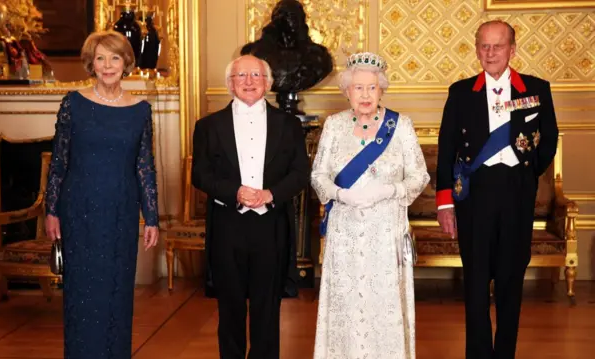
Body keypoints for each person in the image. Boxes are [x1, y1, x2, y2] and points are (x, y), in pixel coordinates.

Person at [436, 20, 558, 359]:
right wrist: (445, 202)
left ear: (512, 50)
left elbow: (548, 140)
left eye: (498, 46)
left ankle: (505, 353)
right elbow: (447, 148)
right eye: (484, 46)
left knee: (510, 278)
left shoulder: (535, 89)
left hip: (517, 192)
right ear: (476, 49)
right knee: (475, 281)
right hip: (475, 193)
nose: (490, 53)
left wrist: (528, 174)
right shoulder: (461, 92)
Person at [44, 30, 160, 359]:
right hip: (79, 210)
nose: (108, 65)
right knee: (82, 294)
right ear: (91, 64)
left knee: (117, 293)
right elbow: (59, 161)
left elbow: (144, 166)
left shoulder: (140, 110)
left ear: (126, 63)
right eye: (100, 58)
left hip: (121, 212)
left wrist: (151, 217)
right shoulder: (73, 103)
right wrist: (52, 210)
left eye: (115, 57)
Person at [311, 52, 430, 359]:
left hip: (385, 230)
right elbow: (318, 176)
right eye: (358, 88)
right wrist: (340, 194)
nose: (365, 95)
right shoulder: (334, 125)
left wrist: (390, 189)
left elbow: (420, 175)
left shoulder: (400, 125)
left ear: (382, 90)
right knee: (347, 300)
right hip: (345, 231)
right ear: (347, 91)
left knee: (383, 301)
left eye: (372, 88)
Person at [191, 54, 309, 359]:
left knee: (267, 307)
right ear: (229, 84)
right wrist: (235, 191)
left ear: (268, 83)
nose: (248, 82)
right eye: (241, 76)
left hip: (270, 225)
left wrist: (269, 194)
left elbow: (300, 173)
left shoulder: (289, 124)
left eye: (255, 76)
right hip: (228, 224)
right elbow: (200, 175)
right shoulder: (208, 126)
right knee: (229, 307)